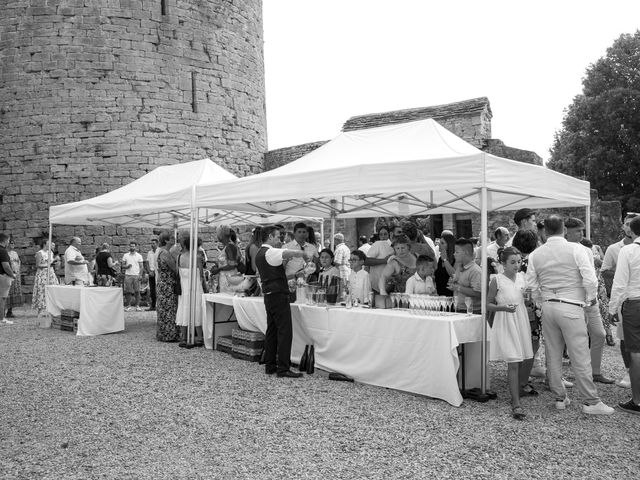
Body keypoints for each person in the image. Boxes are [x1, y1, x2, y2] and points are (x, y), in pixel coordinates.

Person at [525, 215, 614, 415]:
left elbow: (530, 285)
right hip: (572, 305)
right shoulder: (577, 249)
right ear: (564, 229)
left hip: (549, 306)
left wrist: (542, 299)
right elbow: (590, 279)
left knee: (553, 353)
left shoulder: (536, 254)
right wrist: (590, 300)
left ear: (545, 231)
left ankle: (560, 397)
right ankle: (591, 401)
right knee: (580, 354)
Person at [255, 225, 311, 378]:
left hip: (269, 294)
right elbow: (293, 252)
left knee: (272, 331)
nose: (280, 240)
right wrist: (304, 254)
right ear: (270, 237)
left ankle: (270, 365)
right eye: (278, 237)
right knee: (284, 331)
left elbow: (278, 275)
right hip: (278, 295)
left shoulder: (260, 253)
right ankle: (283, 368)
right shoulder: (271, 252)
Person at [564, 217, 614, 384]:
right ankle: (576, 373)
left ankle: (595, 371)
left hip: (590, 300)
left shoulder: (586, 250)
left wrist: (593, 298)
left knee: (599, 334)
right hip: (573, 300)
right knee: (574, 338)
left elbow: (591, 276)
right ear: (567, 232)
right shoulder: (562, 249)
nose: (581, 234)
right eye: (578, 231)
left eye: (582, 231)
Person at [487, 247, 534, 419]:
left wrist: (528, 297)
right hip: (506, 320)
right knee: (513, 361)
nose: (517, 265)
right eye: (512, 262)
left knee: (521, 359)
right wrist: (502, 308)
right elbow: (487, 305)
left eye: (519, 261)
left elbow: (526, 300)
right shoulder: (497, 280)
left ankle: (517, 391)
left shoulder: (522, 277)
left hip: (520, 319)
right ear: (503, 263)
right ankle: (516, 402)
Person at [601, 212, 638, 387]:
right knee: (625, 340)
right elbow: (605, 271)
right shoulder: (614, 249)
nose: (628, 226)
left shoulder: (628, 251)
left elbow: (620, 282)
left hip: (631, 300)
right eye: (626, 223)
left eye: (632, 224)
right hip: (625, 300)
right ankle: (630, 372)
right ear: (623, 226)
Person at [609, 215, 640, 414]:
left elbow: (620, 283)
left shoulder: (628, 250)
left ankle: (637, 401)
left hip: (635, 304)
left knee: (636, 353)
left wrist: (612, 309)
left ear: (632, 231)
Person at [512, 229, 545, 387]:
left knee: (518, 343)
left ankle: (517, 377)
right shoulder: (531, 261)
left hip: (514, 306)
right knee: (532, 344)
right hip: (529, 308)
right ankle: (522, 381)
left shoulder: (512, 260)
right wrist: (529, 304)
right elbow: (528, 288)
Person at [175, 234, 205, 348]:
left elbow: (177, 273)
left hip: (184, 287)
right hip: (196, 287)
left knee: (183, 308)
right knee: (197, 309)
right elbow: (201, 275)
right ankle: (199, 337)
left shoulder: (179, 257)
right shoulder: (197, 257)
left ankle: (184, 336)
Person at [155, 231, 181, 342]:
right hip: (167, 284)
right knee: (169, 309)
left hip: (164, 283)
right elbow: (175, 268)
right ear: (166, 240)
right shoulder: (165, 253)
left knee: (166, 309)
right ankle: (169, 335)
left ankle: (165, 333)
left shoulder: (163, 252)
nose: (174, 240)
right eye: (171, 238)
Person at [450, 238, 482, 313]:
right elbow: (458, 284)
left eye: (457, 252)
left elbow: (478, 293)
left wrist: (458, 288)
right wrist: (453, 283)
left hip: (472, 311)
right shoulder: (459, 267)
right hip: (459, 308)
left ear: (465, 253)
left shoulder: (475, 271)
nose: (454, 254)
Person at [212, 225, 244, 293]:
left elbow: (232, 265)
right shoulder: (228, 246)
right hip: (226, 277)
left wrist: (219, 269)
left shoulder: (230, 246)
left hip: (229, 278)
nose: (216, 236)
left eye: (217, 234)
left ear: (221, 235)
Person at [32, 239, 60, 317]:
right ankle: (41, 309)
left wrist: (54, 262)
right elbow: (38, 265)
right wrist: (48, 265)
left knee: (52, 290)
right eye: (48, 244)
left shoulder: (50, 252)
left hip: (50, 273)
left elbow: (50, 262)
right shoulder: (39, 253)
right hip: (42, 274)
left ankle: (51, 309)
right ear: (44, 244)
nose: (50, 246)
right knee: (42, 290)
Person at [364, 226, 394, 295]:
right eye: (381, 234)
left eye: (385, 234)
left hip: (391, 286)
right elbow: (366, 261)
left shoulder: (394, 246)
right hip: (376, 286)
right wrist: (384, 261)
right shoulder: (378, 244)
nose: (383, 236)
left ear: (390, 234)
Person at [122, 241, 144, 311]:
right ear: (129, 247)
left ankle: (137, 306)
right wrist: (127, 266)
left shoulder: (139, 256)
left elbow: (141, 267)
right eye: (131, 246)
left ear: (136, 247)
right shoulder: (126, 255)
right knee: (128, 291)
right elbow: (122, 266)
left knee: (137, 291)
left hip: (136, 275)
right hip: (128, 275)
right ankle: (128, 306)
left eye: (133, 246)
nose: (132, 247)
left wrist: (140, 275)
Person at [434, 231, 457, 296]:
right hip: (440, 295)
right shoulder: (440, 259)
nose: (439, 245)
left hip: (451, 296)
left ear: (449, 245)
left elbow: (454, 275)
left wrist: (445, 260)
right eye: (439, 243)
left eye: (442, 243)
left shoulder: (456, 260)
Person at [0, 233, 16, 324]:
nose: (8, 242)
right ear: (4, 240)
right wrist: (12, 275)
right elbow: (6, 266)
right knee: (2, 298)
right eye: (8, 240)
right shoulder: (3, 251)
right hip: (3, 276)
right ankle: (1, 319)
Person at [5, 238, 21, 318]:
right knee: (6, 292)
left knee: (13, 292)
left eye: (13, 243)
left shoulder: (15, 253)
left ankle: (10, 311)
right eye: (11, 243)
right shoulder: (5, 253)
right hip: (8, 274)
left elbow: (18, 262)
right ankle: (3, 311)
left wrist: (17, 272)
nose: (12, 245)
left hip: (16, 274)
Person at [146, 238, 159, 311]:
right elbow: (147, 263)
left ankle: (158, 305)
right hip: (151, 273)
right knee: (152, 290)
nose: (152, 245)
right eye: (151, 243)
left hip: (158, 272)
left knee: (158, 289)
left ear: (157, 244)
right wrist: (149, 271)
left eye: (153, 243)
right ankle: (153, 305)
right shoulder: (149, 253)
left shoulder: (159, 251)